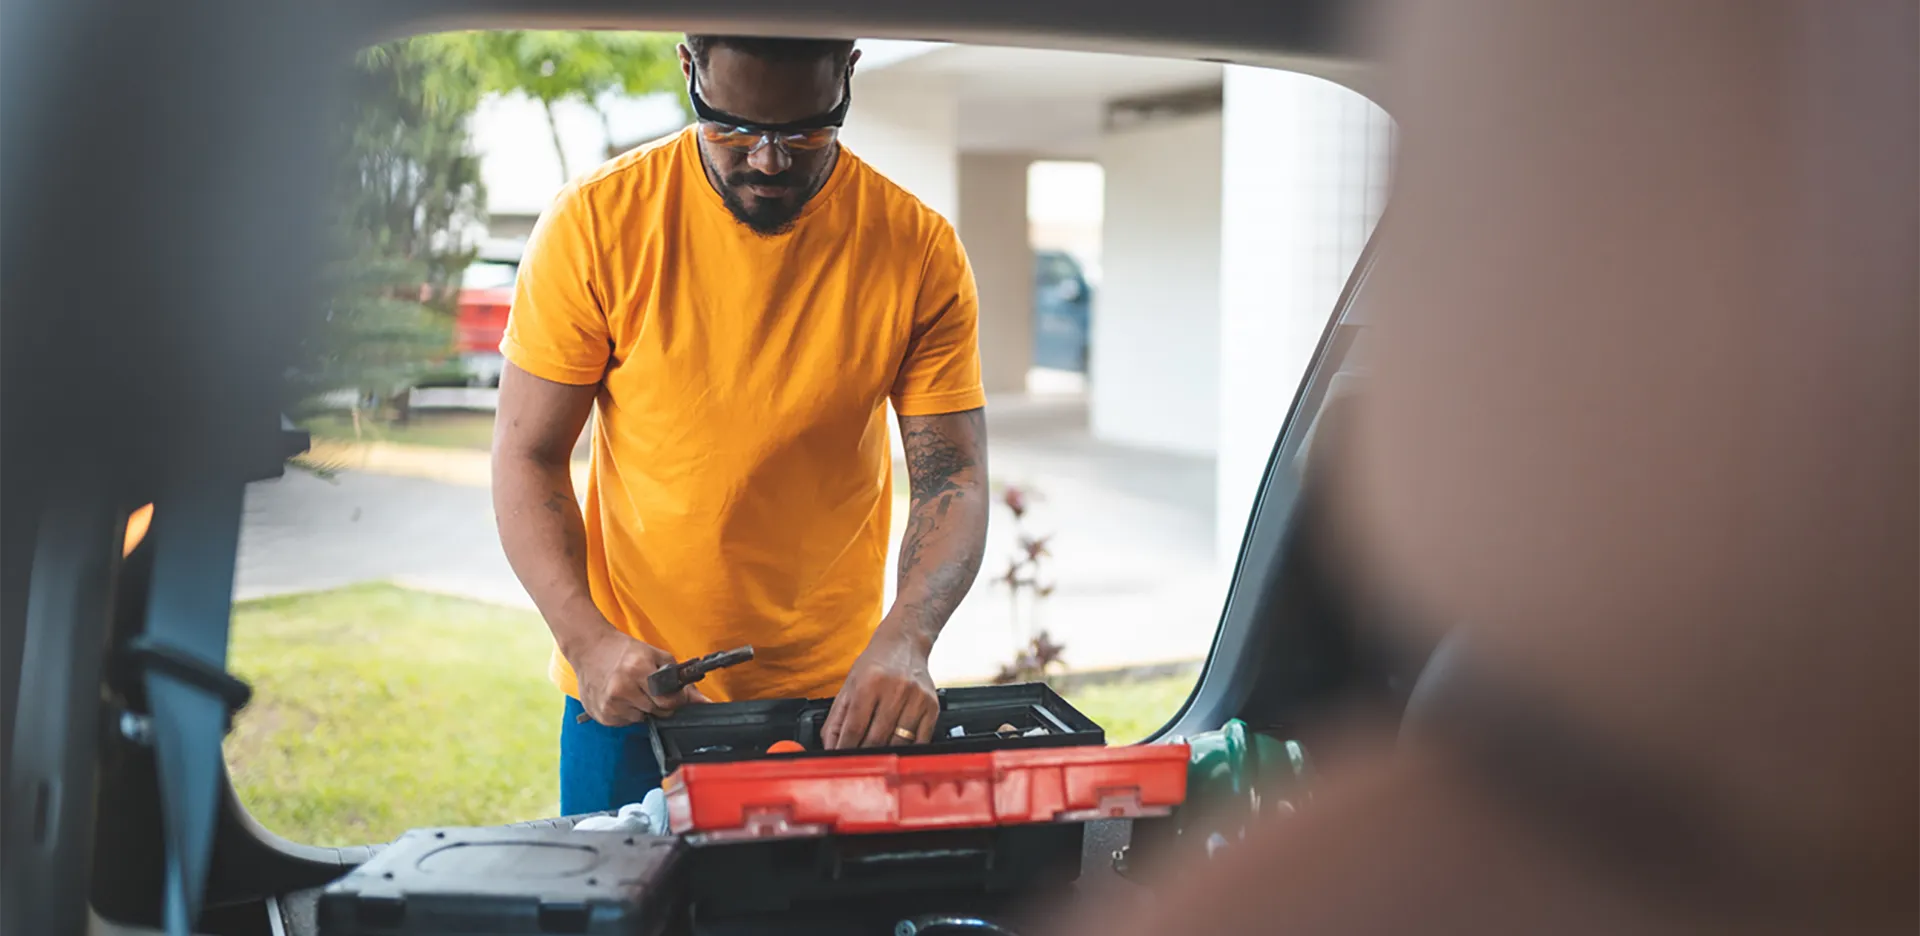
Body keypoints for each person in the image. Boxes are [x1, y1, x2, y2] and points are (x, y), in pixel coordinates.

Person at [491, 34, 990, 816]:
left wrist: (908, 639)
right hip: (631, 694)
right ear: (689, 69)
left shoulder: (917, 249)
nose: (766, 160)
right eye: (731, 128)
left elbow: (950, 475)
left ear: (847, 75)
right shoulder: (596, 223)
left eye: (804, 132)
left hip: (839, 703)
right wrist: (586, 643)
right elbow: (527, 454)